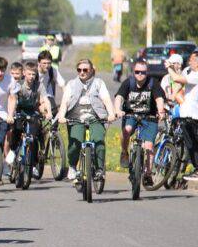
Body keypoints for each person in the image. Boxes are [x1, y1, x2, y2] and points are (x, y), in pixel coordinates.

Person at [55, 58, 116, 188]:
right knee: (74, 144)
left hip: (96, 118)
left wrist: (111, 113)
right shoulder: (71, 84)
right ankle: (72, 166)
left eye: (85, 70)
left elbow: (106, 99)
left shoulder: (99, 83)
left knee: (99, 141)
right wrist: (61, 116)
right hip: (76, 118)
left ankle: (99, 170)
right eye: (79, 70)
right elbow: (65, 102)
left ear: (91, 70)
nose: (82, 72)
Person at [114, 58, 166, 170]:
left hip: (149, 117)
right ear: (134, 72)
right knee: (126, 130)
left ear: (147, 72)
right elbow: (119, 97)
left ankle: (148, 173)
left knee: (149, 146)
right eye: (137, 72)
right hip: (131, 115)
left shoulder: (153, 83)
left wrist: (161, 111)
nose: (140, 74)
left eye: (143, 72)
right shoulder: (129, 82)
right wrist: (118, 110)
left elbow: (159, 99)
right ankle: (124, 153)